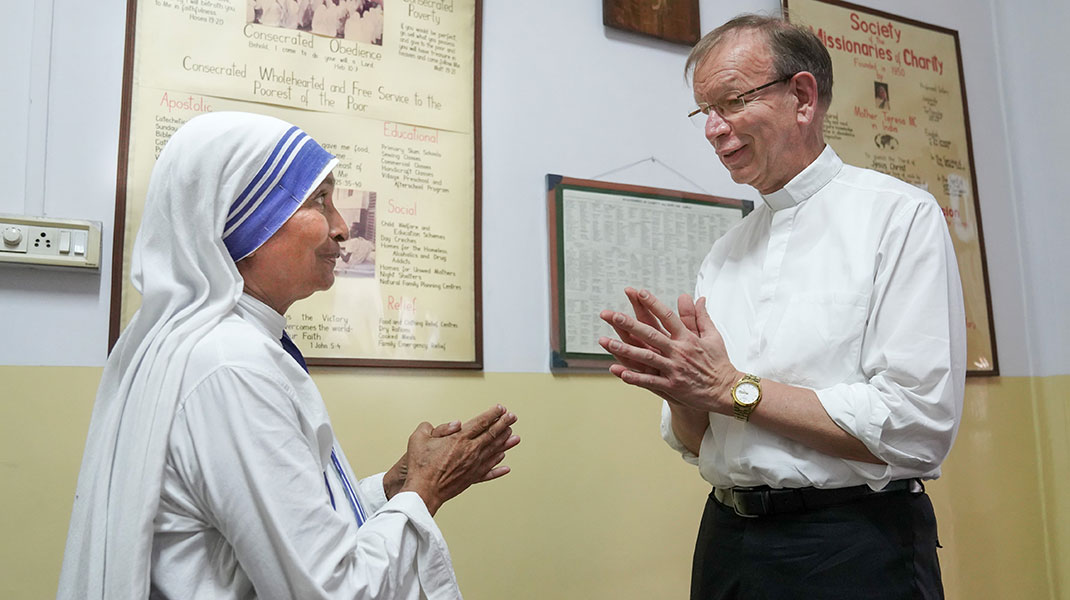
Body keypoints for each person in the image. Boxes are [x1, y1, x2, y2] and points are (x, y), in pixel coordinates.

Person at [58, 112, 520, 600]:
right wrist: (424, 490)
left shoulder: (229, 345)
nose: (342, 228)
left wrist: (390, 487)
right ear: (244, 220)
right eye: (320, 200)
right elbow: (331, 590)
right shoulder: (230, 366)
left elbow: (281, 533)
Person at [598, 15, 964, 600]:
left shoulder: (898, 217)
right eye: (704, 112)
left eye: (732, 102)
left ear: (802, 96)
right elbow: (696, 442)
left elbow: (915, 424)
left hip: (852, 542)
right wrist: (683, 390)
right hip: (726, 537)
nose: (715, 129)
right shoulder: (725, 252)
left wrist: (730, 389)